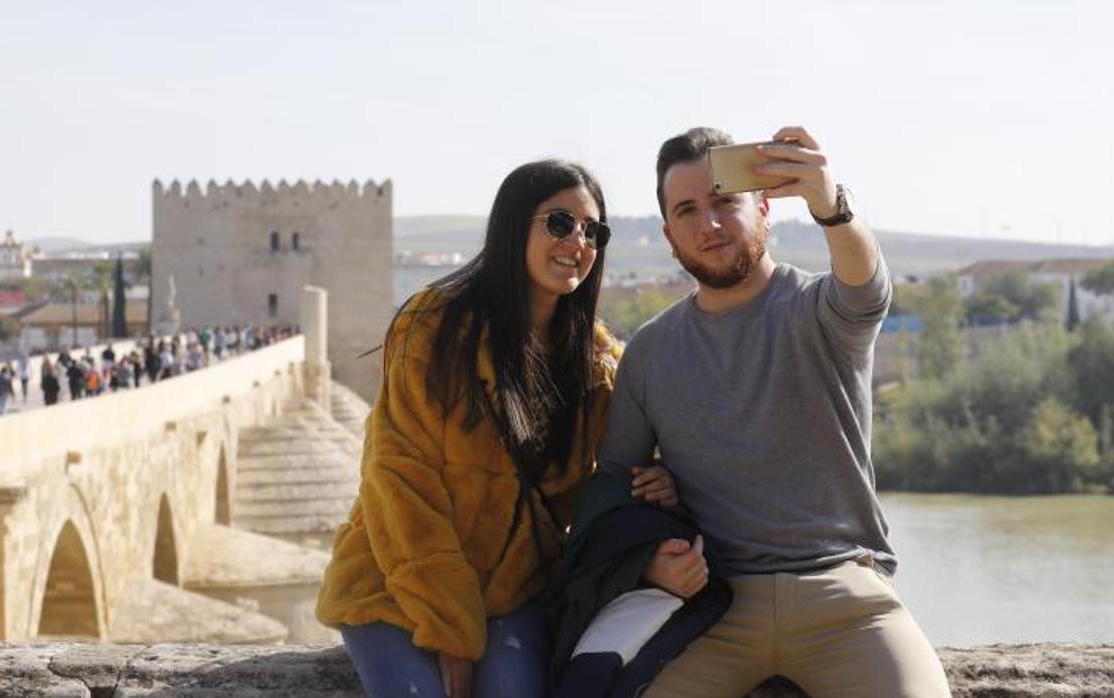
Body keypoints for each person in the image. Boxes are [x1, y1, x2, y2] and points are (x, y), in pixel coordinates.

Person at [597, 126, 950, 696]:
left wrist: (830, 206)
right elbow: (613, 490)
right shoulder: (651, 350)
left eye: (724, 203)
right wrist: (649, 560)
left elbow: (866, 288)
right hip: (712, 609)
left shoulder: (818, 311)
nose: (708, 225)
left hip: (845, 596)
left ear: (764, 208)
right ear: (668, 235)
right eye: (687, 210)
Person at [317, 160, 675, 698]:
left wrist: (663, 480)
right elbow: (399, 477)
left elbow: (630, 460)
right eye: (559, 223)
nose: (577, 241)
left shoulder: (596, 365)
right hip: (395, 580)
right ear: (513, 226)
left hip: (514, 591)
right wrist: (450, 626)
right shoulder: (435, 327)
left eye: (592, 231)